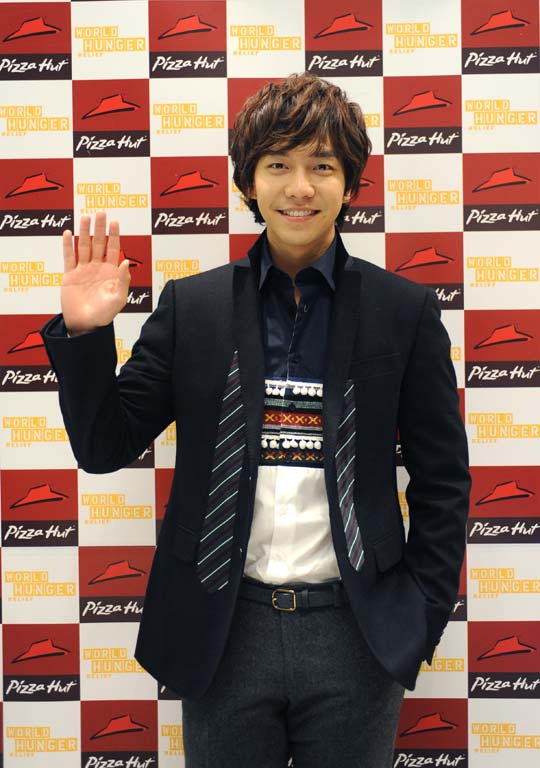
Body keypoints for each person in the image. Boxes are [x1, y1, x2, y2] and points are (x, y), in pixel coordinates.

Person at [42, 73, 470, 768]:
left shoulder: (404, 311)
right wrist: (87, 335)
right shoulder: (194, 308)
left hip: (355, 634)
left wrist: (418, 614)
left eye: (322, 166)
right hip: (222, 630)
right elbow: (102, 445)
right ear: (248, 181)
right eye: (277, 165)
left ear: (350, 185)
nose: (299, 187)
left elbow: (443, 480)